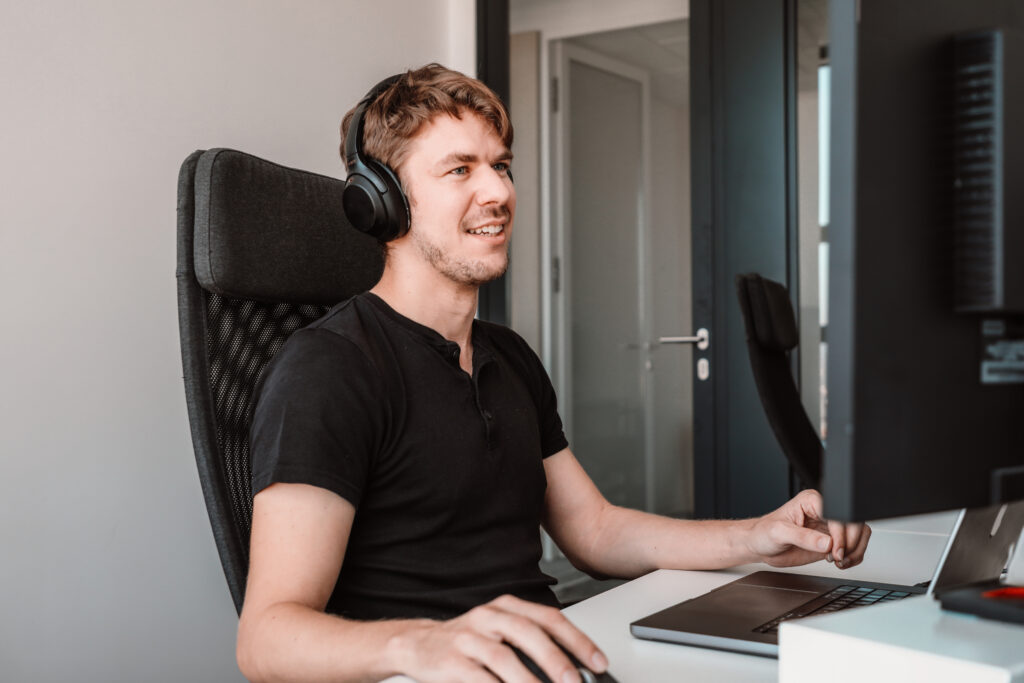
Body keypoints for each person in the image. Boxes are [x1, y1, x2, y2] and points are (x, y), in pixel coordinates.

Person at [235, 63, 870, 683]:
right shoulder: (330, 368)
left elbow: (593, 530)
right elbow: (266, 639)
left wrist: (755, 538)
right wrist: (425, 643)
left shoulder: (507, 356)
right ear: (383, 203)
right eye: (460, 169)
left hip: (555, 659)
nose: (499, 192)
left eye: (501, 166)